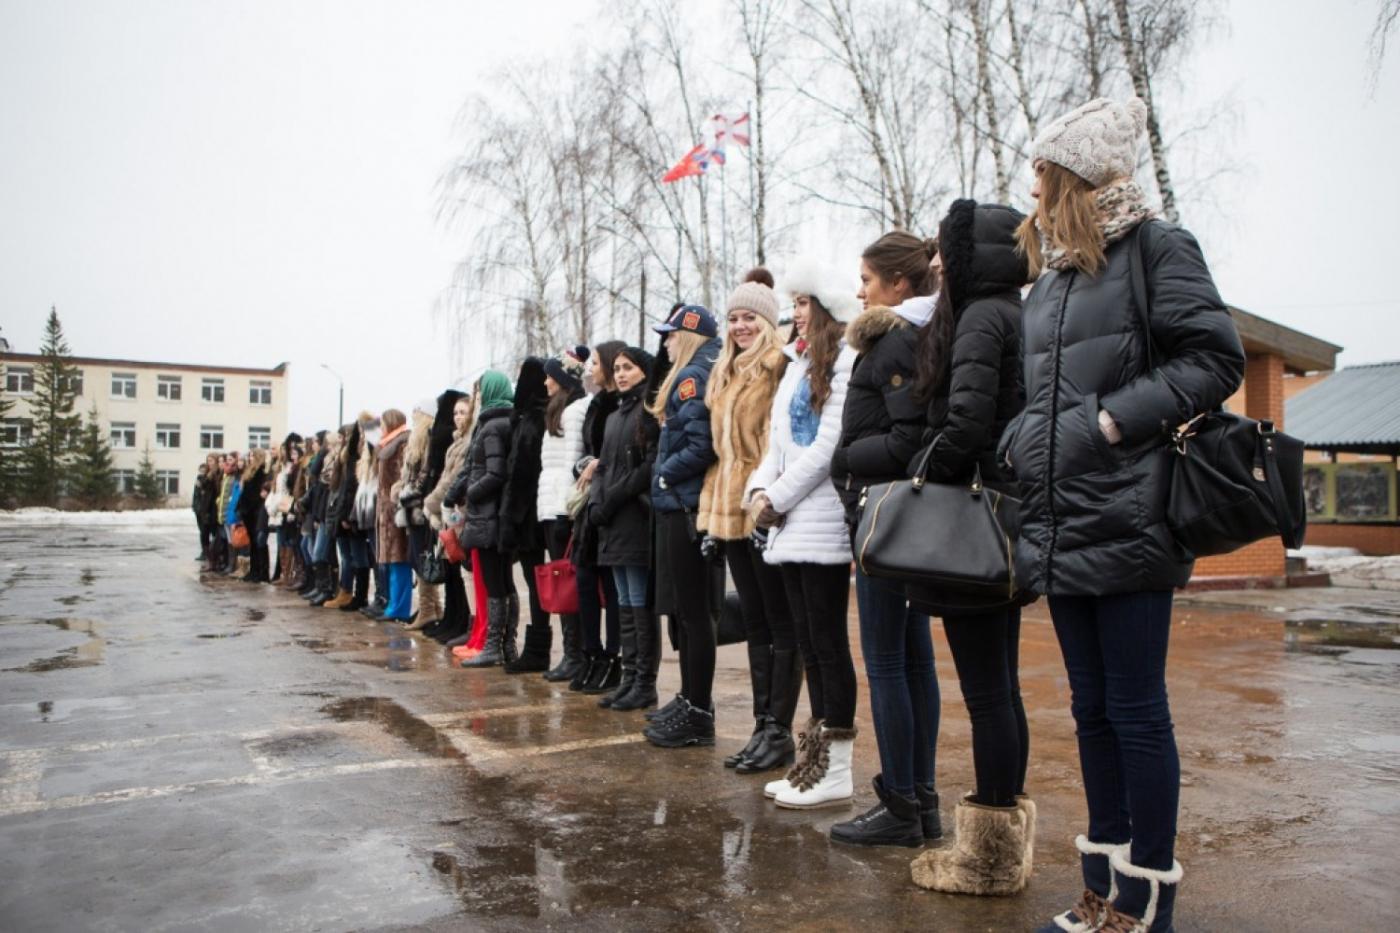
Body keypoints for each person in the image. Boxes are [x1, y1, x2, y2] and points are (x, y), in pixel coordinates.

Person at [1005, 98, 1245, 933]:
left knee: (1137, 708)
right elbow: (1037, 394)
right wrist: (1020, 433)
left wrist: (1110, 420)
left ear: (1070, 174)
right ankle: (1103, 892)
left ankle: (1147, 902)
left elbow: (1215, 356)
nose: (1029, 184)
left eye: (1040, 170)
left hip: (1134, 514)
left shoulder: (1157, 248)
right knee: (1090, 707)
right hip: (1061, 519)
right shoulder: (1053, 280)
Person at [899, 199, 1034, 883]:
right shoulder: (1011, 309)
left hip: (972, 525)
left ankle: (986, 856)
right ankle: (1000, 839)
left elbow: (969, 421)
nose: (939, 263)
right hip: (998, 517)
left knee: (987, 692)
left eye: (947, 251)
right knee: (1000, 689)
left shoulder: (982, 316)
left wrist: (920, 473)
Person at [820, 232, 937, 814]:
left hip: (883, 516)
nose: (859, 291)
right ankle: (919, 797)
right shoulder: (911, 339)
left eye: (866, 280)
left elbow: (907, 438)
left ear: (899, 283)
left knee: (891, 662)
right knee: (912, 660)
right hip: (892, 516)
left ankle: (901, 802)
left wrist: (848, 459)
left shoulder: (892, 344)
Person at [744, 259, 860, 806]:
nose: (795, 313)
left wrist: (777, 496)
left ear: (827, 309)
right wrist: (758, 492)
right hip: (789, 522)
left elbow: (827, 446)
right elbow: (777, 444)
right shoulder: (796, 363)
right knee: (809, 645)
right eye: (793, 303)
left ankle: (836, 769)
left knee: (828, 644)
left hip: (821, 522)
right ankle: (811, 762)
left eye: (803, 303)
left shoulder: (845, 363)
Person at [696, 273, 795, 772]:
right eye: (733, 317)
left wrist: (765, 502)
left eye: (749, 317)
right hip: (730, 509)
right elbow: (722, 454)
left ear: (768, 322)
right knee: (755, 620)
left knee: (782, 623)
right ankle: (762, 724)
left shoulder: (779, 367)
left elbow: (778, 445)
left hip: (766, 506)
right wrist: (713, 522)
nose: (740, 325)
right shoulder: (724, 373)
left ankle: (780, 728)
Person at [643, 304, 721, 747]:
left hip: (685, 505)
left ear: (688, 335)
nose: (666, 343)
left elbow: (701, 444)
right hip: (682, 503)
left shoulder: (692, 376)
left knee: (694, 615)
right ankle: (692, 701)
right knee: (689, 616)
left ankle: (698, 711)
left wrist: (664, 474)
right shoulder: (695, 370)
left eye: (670, 335)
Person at [587, 346, 660, 710]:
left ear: (644, 371)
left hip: (634, 517)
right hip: (612, 520)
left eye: (628, 367)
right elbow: (602, 466)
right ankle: (629, 677)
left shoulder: (647, 412)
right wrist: (597, 501)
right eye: (616, 368)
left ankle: (644, 682)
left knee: (639, 604)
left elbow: (648, 466)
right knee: (625, 604)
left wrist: (613, 497)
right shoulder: (616, 416)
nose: (620, 374)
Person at [445, 370, 517, 668]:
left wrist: (469, 494)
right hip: (492, 516)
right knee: (501, 582)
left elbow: (494, 473)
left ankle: (495, 647)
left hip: (487, 516)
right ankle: (505, 646)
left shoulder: (491, 427)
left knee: (496, 583)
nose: (476, 398)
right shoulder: (499, 423)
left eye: (478, 393)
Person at [570, 342, 626, 692]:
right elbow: (588, 449)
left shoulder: (618, 403)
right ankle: (591, 653)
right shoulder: (596, 404)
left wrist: (597, 465)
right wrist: (584, 464)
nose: (589, 368)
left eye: (594, 362)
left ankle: (612, 657)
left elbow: (619, 453)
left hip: (610, 501)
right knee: (585, 581)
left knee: (611, 586)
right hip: (589, 500)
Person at [535, 348, 592, 683]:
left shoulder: (573, 414)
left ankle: (576, 655)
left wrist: (565, 511)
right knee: (562, 583)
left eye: (551, 376)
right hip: (550, 504)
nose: (545, 382)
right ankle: (573, 653)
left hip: (561, 507)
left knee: (567, 584)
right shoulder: (559, 412)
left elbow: (572, 462)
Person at [501, 359, 553, 673]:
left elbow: (521, 472)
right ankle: (536, 649)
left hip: (529, 512)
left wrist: (511, 517)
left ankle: (537, 651)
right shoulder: (533, 417)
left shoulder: (531, 420)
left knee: (537, 582)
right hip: (535, 508)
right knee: (536, 582)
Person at [422, 393, 476, 646]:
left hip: (457, 511)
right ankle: (454, 621)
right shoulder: (456, 441)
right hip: (447, 510)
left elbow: (451, 480)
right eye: (455, 412)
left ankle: (463, 622)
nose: (457, 417)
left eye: (463, 412)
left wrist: (430, 503)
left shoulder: (466, 443)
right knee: (452, 569)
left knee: (460, 570)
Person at [375, 409, 413, 623]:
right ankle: (393, 604)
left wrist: (393, 502)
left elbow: (401, 477)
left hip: (395, 511)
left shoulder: (400, 444)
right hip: (387, 512)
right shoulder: (388, 445)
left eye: (382, 423)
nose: (380, 428)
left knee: (399, 561)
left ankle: (399, 608)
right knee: (392, 561)